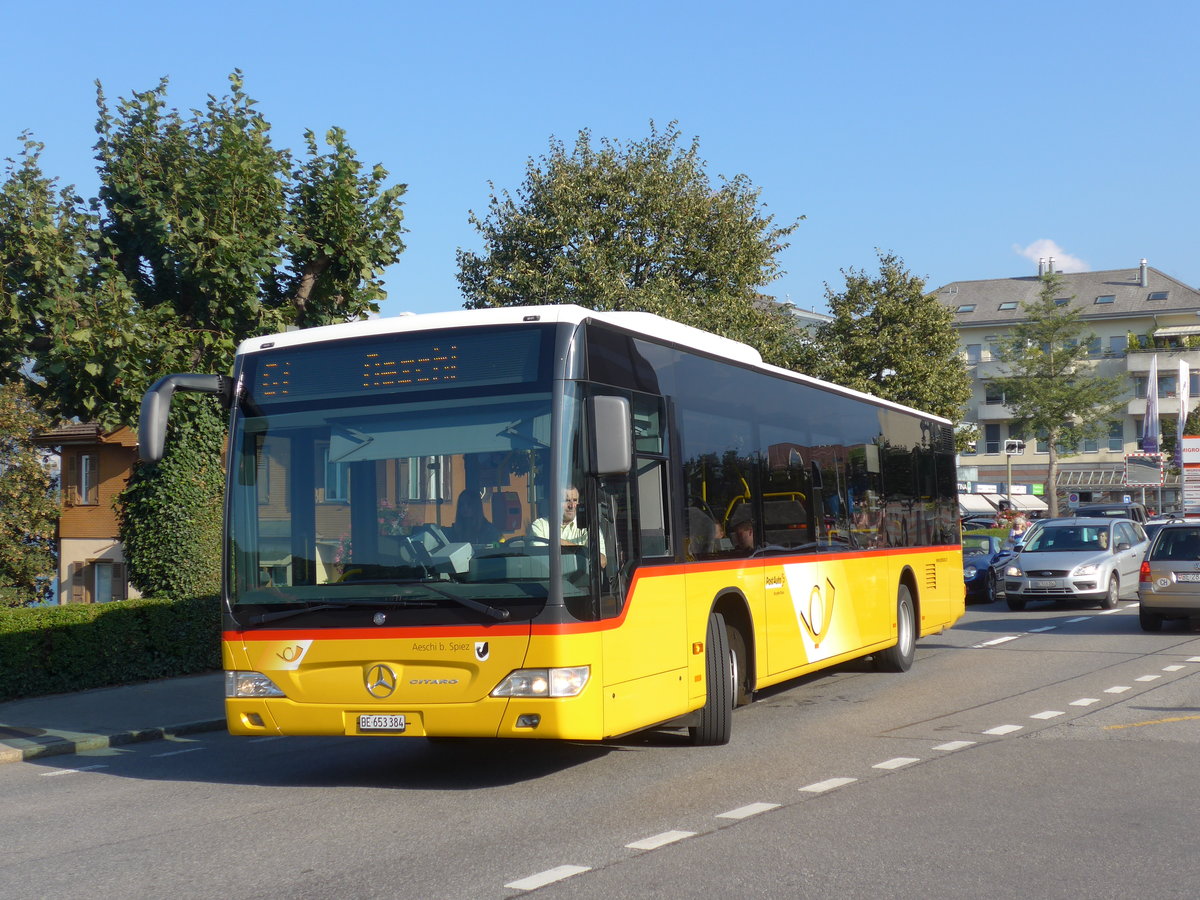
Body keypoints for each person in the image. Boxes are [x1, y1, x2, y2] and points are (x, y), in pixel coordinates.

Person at [530, 484, 607, 567]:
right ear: (554, 502)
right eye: (566, 500)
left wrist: (561, 543)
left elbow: (602, 562)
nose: (572, 505)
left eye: (575, 500)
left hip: (581, 575)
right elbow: (539, 561)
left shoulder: (589, 526)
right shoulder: (540, 526)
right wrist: (583, 552)